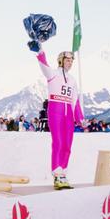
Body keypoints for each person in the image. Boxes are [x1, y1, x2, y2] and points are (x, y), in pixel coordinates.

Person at [32, 47, 84, 190]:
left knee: (67, 144)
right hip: (56, 110)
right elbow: (44, 65)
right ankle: (56, 172)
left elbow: (75, 100)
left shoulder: (72, 79)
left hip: (68, 113)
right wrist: (40, 51)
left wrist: (80, 117)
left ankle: (63, 173)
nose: (70, 63)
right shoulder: (53, 74)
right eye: (67, 60)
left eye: (71, 60)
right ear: (61, 61)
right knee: (58, 142)